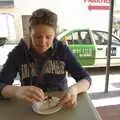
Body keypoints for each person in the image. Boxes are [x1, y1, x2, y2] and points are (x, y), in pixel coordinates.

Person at [0, 8, 91, 109]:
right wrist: (17, 91)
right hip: (30, 107)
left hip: (60, 105)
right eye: (37, 37)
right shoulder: (18, 53)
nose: (43, 42)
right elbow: (1, 84)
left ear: (54, 35)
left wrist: (74, 89)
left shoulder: (62, 50)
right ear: (30, 33)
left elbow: (86, 78)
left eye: (48, 37)